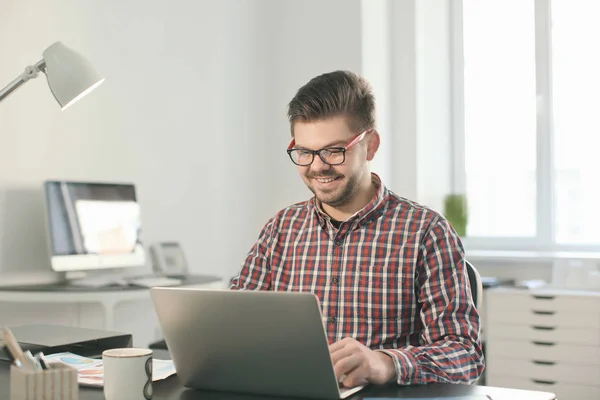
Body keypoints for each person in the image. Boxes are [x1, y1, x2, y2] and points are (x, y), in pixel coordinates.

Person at [229, 70, 484, 388]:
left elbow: (465, 357)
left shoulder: (426, 232)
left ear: (371, 146)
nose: (318, 166)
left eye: (335, 150)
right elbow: (232, 328)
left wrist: (386, 363)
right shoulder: (281, 229)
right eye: (305, 152)